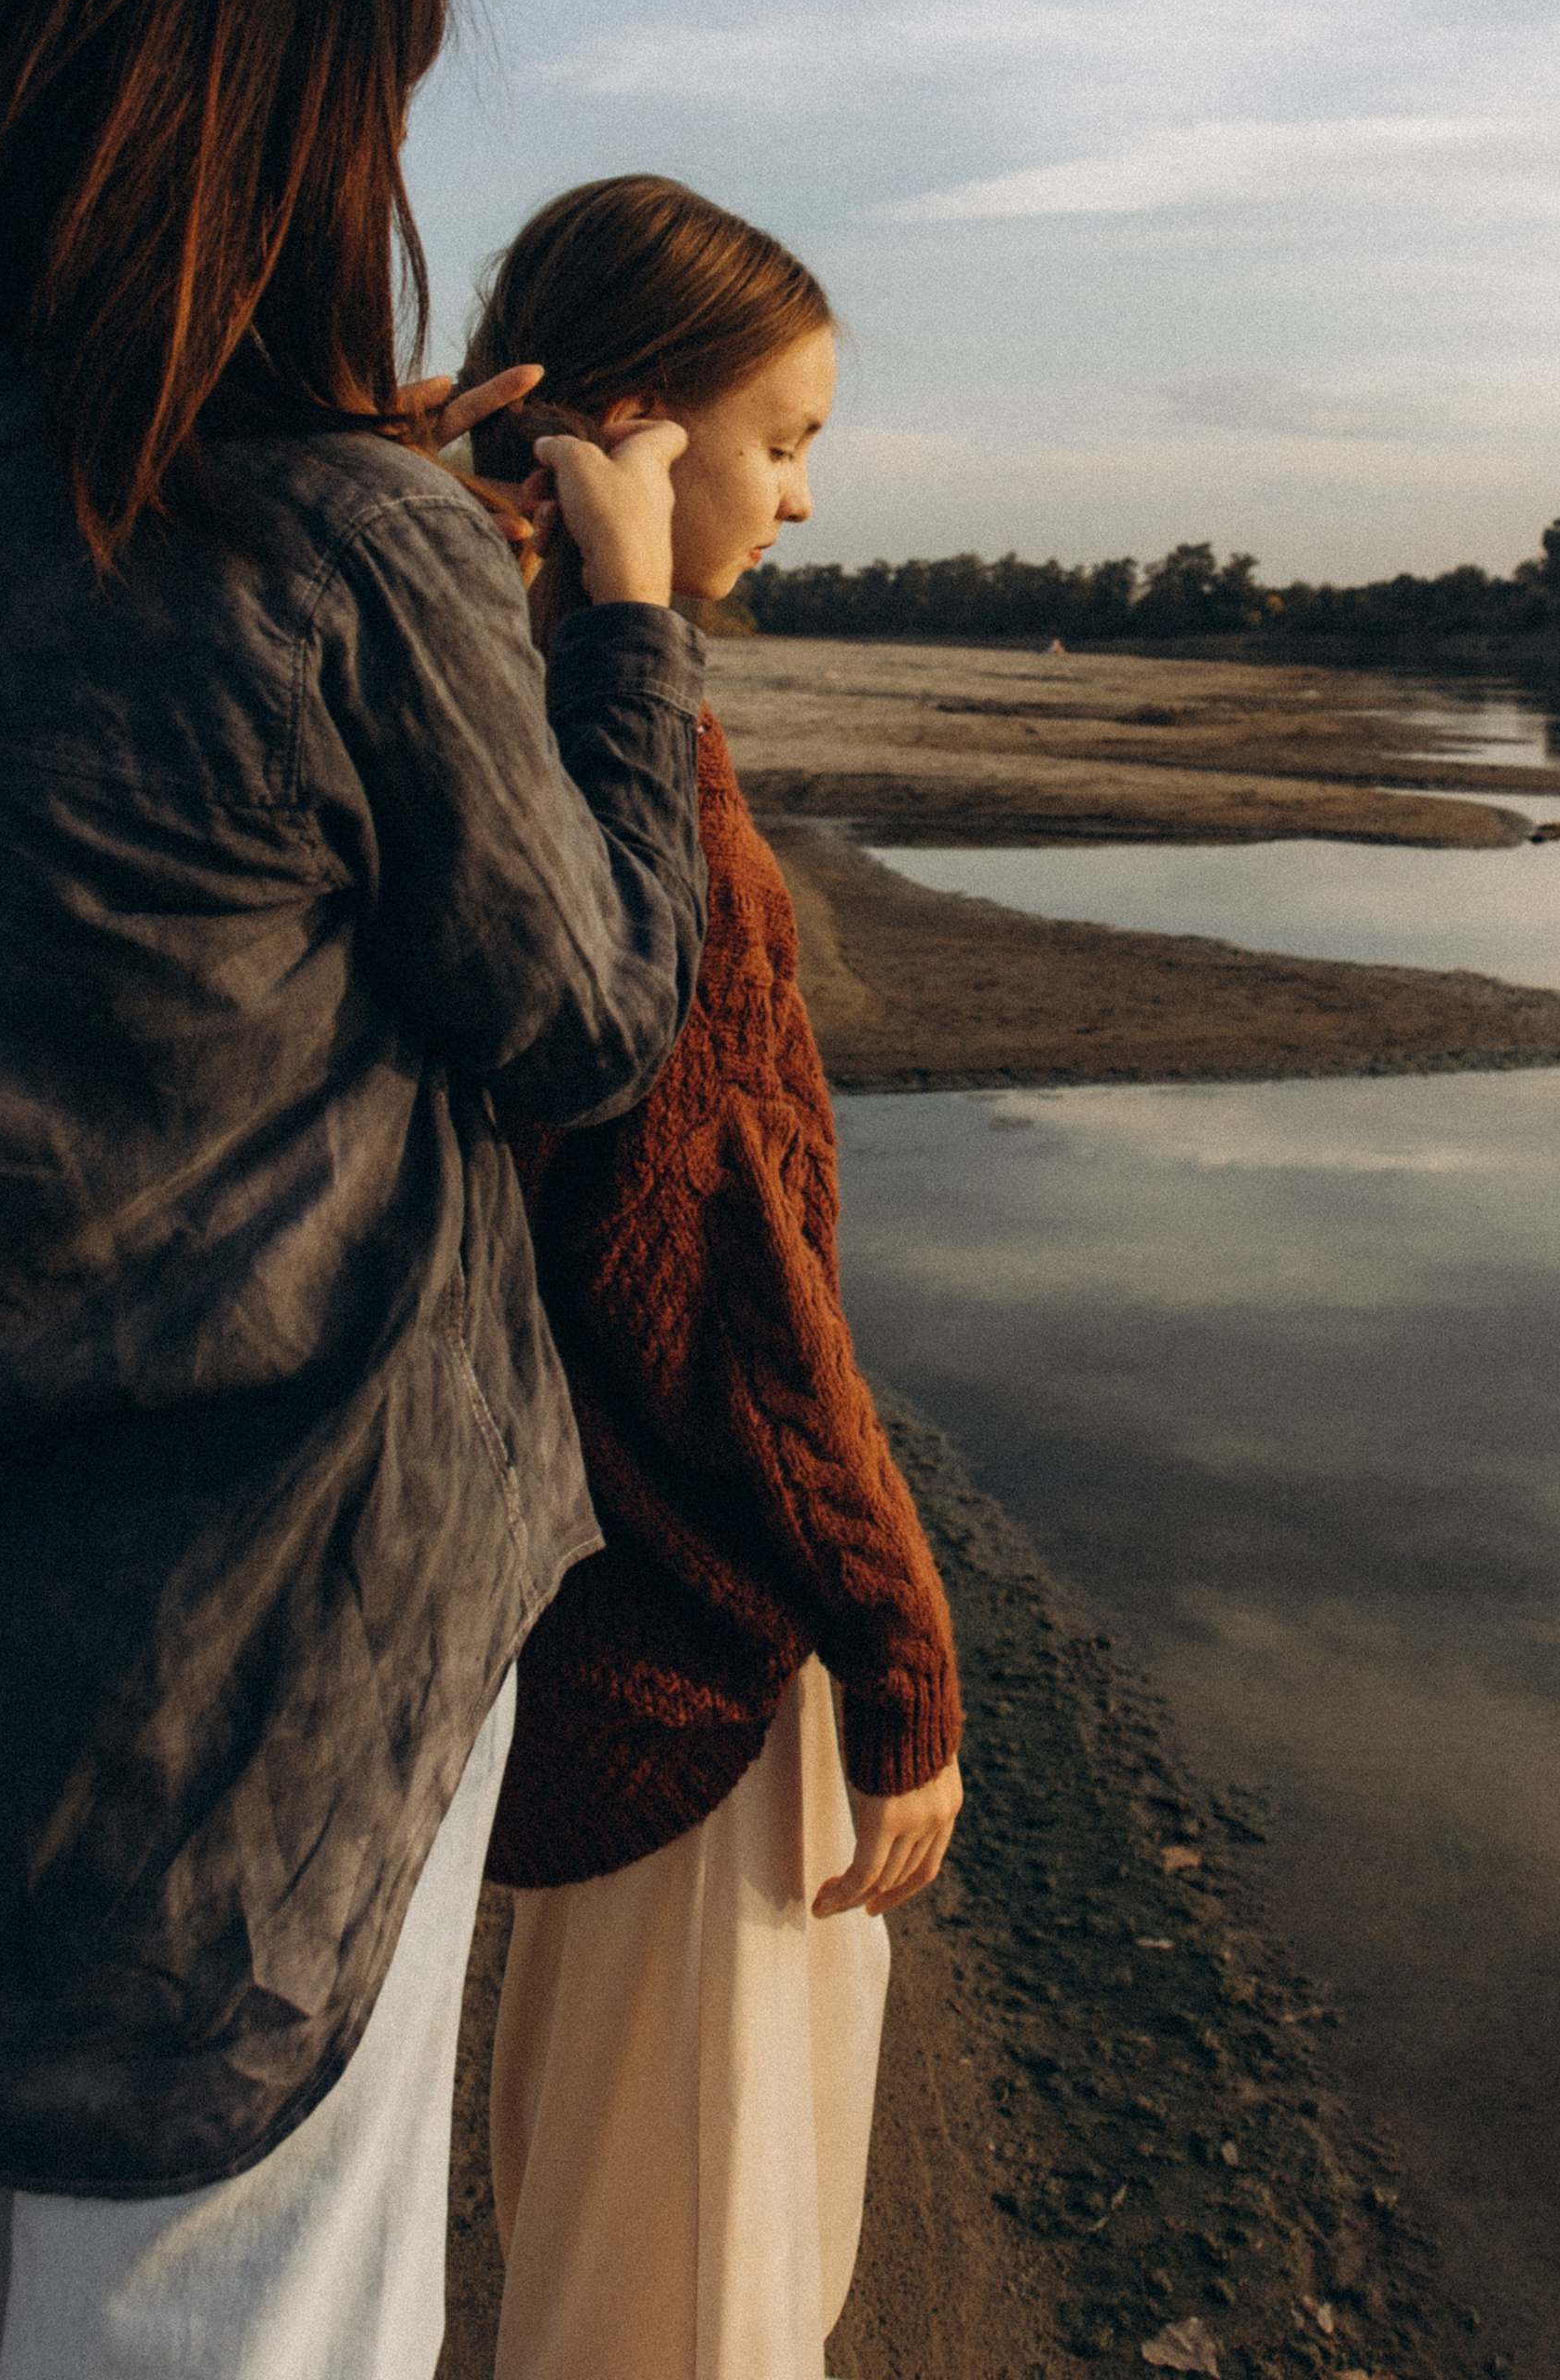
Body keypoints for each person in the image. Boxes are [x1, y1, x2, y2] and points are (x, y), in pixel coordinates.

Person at [0, 0, 708, 2380]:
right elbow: (582, 1018)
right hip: (259, 1689)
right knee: (217, 2333)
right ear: (270, 135)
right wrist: (616, 620)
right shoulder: (329, 548)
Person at [459, 174, 965, 2380]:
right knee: (695, 2289)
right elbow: (705, 1250)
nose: (808, 494)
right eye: (788, 438)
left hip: (572, 1598)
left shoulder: (460, 668)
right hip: (690, 1626)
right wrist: (897, 1629)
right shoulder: (601, 718)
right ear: (646, 439)